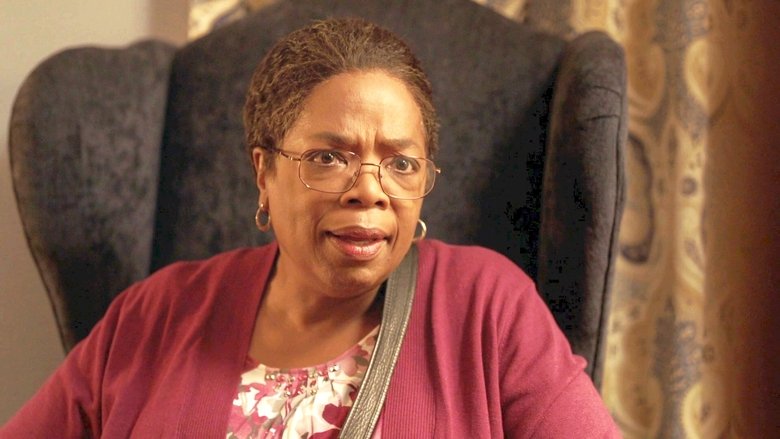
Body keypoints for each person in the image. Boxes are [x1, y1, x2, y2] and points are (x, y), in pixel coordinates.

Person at [1, 18, 620, 438]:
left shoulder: (489, 308)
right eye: (328, 157)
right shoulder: (155, 315)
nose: (369, 189)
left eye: (401, 163)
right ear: (264, 172)